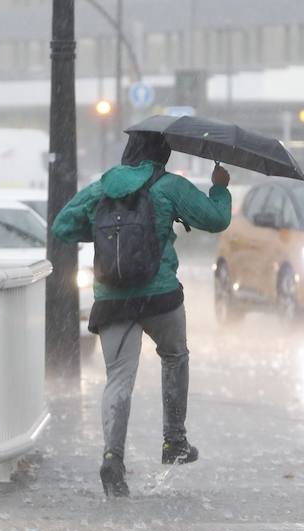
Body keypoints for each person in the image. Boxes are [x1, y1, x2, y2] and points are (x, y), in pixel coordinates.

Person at [51, 132, 232, 497]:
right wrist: (220, 188)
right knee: (175, 356)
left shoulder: (101, 188)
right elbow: (216, 220)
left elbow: (62, 227)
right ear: (161, 154)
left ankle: (112, 458)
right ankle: (174, 441)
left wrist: (108, 234)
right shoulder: (168, 187)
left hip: (111, 299)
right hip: (160, 295)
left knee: (118, 379)